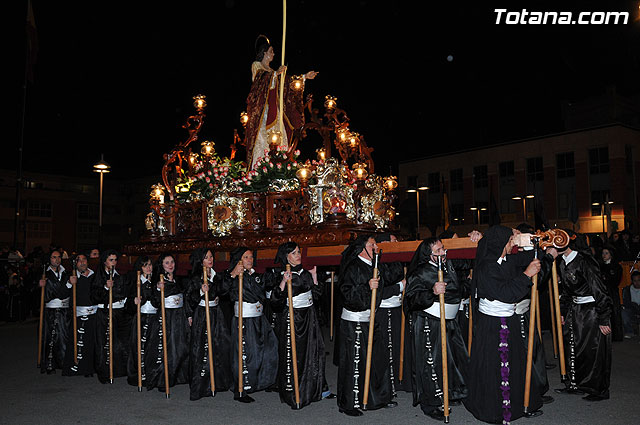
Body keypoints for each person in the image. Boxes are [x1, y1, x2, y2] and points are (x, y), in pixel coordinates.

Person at [464, 225, 544, 424]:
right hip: (492, 325)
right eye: (509, 241)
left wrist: (540, 246)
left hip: (510, 320)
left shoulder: (505, 259)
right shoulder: (486, 267)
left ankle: (520, 402)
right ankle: (494, 409)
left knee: (515, 362)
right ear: (499, 243)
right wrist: (526, 275)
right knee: (494, 367)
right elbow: (506, 293)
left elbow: (528, 257)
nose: (512, 244)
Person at [405, 237, 471, 419]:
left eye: (444, 249)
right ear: (429, 255)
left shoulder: (447, 266)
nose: (444, 253)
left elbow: (457, 287)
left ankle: (450, 392)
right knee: (431, 363)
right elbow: (411, 299)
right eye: (439, 250)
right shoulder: (420, 272)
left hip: (449, 321)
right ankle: (431, 403)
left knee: (451, 360)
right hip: (429, 322)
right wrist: (432, 292)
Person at [336, 235, 397, 416]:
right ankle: (350, 403)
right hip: (354, 320)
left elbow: (394, 275)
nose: (376, 247)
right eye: (372, 245)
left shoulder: (375, 264)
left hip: (372, 318)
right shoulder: (352, 266)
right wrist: (367, 287)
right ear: (362, 248)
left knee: (378, 359)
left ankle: (378, 397)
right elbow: (347, 294)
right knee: (355, 363)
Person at [266, 242, 331, 409]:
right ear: (286, 256)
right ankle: (293, 392)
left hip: (309, 316)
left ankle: (316, 389)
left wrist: (315, 276)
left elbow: (316, 296)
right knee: (294, 353)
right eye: (294, 253)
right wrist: (283, 282)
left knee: (315, 349)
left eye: (298, 252)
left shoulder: (305, 273)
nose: (298, 255)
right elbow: (275, 301)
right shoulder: (280, 274)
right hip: (293, 317)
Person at [245, 34, 317, 169]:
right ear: (264, 53)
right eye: (271, 51)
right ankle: (259, 170)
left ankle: (279, 169)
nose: (273, 54)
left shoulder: (273, 71)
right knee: (262, 140)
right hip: (263, 112)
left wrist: (304, 77)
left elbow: (287, 83)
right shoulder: (257, 66)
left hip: (276, 111)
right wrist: (275, 74)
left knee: (280, 139)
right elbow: (260, 80)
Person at [555, 230, 612, 401]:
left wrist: (603, 317)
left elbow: (599, 289)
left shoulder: (585, 262)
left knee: (593, 351)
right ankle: (575, 383)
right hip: (575, 310)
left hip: (591, 311)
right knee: (572, 346)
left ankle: (598, 389)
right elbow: (565, 291)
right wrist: (563, 311)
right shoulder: (562, 262)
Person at [225, 246, 278, 403]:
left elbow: (267, 284)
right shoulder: (232, 277)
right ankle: (241, 389)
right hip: (244, 319)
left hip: (259, 318)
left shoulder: (255, 276)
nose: (250, 260)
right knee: (248, 354)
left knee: (270, 347)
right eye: (246, 257)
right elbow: (222, 290)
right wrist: (234, 274)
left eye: (251, 257)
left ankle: (266, 381)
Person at [185, 248, 232, 400]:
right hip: (202, 314)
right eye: (206, 257)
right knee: (202, 347)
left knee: (220, 345)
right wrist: (200, 292)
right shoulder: (195, 278)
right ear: (201, 260)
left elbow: (224, 291)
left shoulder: (216, 275)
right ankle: (201, 384)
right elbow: (189, 298)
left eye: (211, 257)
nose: (210, 259)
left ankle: (218, 381)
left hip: (216, 313)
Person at [373, 233, 411, 395]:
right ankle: (388, 385)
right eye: (393, 241)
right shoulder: (376, 263)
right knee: (386, 346)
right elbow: (380, 291)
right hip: (383, 310)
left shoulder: (397, 261)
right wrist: (401, 286)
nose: (396, 244)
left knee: (399, 344)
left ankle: (401, 380)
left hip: (397, 308)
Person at [146, 253, 190, 392]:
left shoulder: (178, 280)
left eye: (172, 262)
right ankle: (162, 378)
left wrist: (188, 315)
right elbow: (155, 301)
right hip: (167, 317)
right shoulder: (159, 281)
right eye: (167, 263)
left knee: (181, 346)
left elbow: (185, 298)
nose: (170, 265)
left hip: (179, 316)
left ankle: (177, 376)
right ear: (162, 265)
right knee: (167, 348)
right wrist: (159, 289)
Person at [91, 249, 132, 383]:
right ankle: (105, 372)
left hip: (119, 312)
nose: (113, 263)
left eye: (115, 260)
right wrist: (104, 287)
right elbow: (94, 296)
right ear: (104, 261)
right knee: (105, 343)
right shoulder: (99, 276)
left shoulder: (119, 275)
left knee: (120, 342)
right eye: (111, 260)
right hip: (106, 312)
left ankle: (119, 370)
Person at [124, 255, 159, 388]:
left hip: (153, 318)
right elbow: (128, 306)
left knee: (152, 347)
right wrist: (134, 302)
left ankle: (151, 375)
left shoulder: (156, 281)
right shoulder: (135, 283)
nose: (149, 268)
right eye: (145, 265)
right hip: (140, 317)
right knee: (138, 347)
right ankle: (137, 375)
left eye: (150, 265)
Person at [63, 253, 98, 377]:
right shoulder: (71, 276)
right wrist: (69, 283)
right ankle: (76, 367)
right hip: (78, 314)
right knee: (78, 342)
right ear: (75, 263)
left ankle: (90, 368)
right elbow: (63, 294)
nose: (82, 262)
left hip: (94, 313)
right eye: (79, 260)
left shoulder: (95, 275)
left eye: (84, 260)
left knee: (92, 342)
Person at [38, 250, 73, 374]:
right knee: (51, 338)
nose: (57, 260)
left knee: (64, 338)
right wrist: (39, 285)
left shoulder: (67, 273)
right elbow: (43, 294)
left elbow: (69, 292)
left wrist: (69, 286)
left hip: (65, 311)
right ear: (49, 259)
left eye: (59, 257)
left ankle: (64, 363)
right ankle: (49, 364)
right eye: (54, 257)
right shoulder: (44, 274)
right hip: (50, 311)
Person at [599, 245, 624, 341]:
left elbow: (615, 281)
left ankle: (616, 336)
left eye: (606, 253)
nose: (604, 255)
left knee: (614, 314)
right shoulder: (600, 266)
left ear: (611, 255)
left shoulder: (616, 267)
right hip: (603, 293)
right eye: (603, 253)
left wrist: (607, 278)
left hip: (612, 293)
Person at [622, 271, 640, 338]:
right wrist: (634, 305)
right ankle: (629, 331)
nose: (637, 283)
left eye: (639, 280)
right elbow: (626, 303)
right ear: (632, 281)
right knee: (624, 313)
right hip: (632, 309)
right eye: (635, 281)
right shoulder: (627, 290)